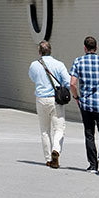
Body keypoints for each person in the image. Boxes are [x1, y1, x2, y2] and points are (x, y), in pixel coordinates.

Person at [70, 36, 99, 176]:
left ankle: (92, 165)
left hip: (86, 105)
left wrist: (77, 97)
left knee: (89, 134)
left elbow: (72, 83)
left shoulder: (78, 62)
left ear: (85, 48)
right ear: (96, 48)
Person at [27, 40, 71, 168]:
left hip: (41, 99)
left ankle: (47, 159)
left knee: (44, 130)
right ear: (50, 50)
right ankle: (56, 149)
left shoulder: (34, 65)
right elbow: (67, 81)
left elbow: (33, 78)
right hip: (56, 100)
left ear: (39, 52)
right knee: (59, 128)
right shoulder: (59, 64)